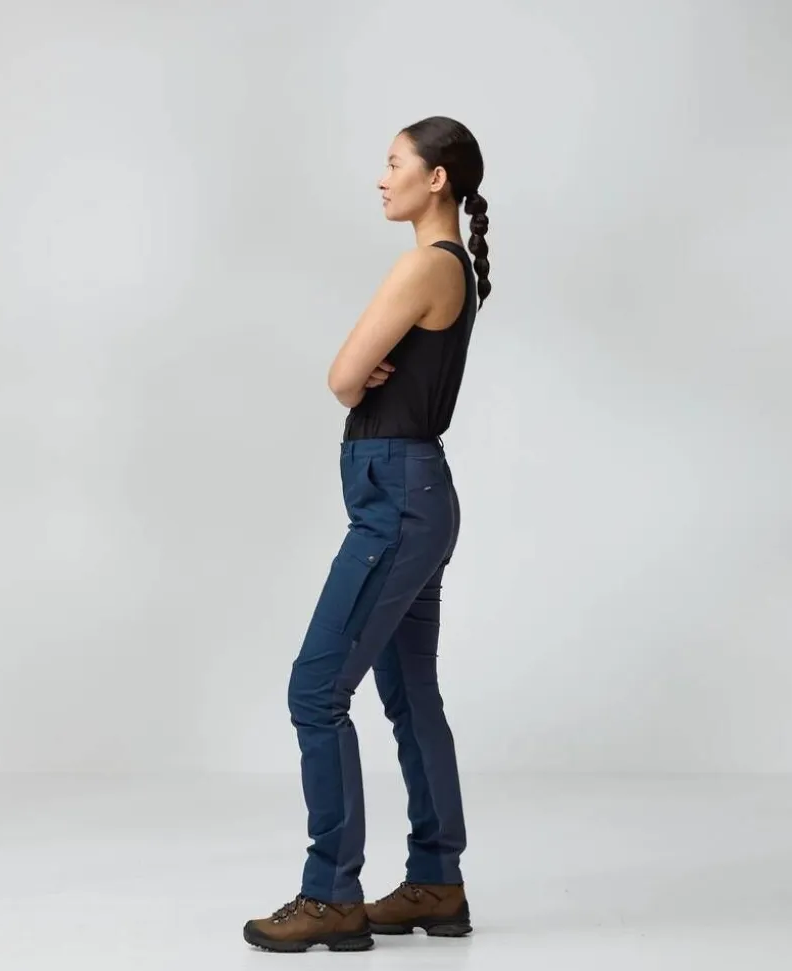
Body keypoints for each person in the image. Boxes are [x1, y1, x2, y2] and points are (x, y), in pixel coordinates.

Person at [243, 115, 492, 954]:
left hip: (396, 499)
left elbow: (344, 376)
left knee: (315, 690)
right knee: (411, 693)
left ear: (437, 179)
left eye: (394, 164)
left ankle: (331, 894)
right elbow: (358, 378)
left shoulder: (425, 264)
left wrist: (355, 381)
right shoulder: (450, 266)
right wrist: (361, 381)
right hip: (416, 492)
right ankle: (437, 878)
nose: (381, 179)